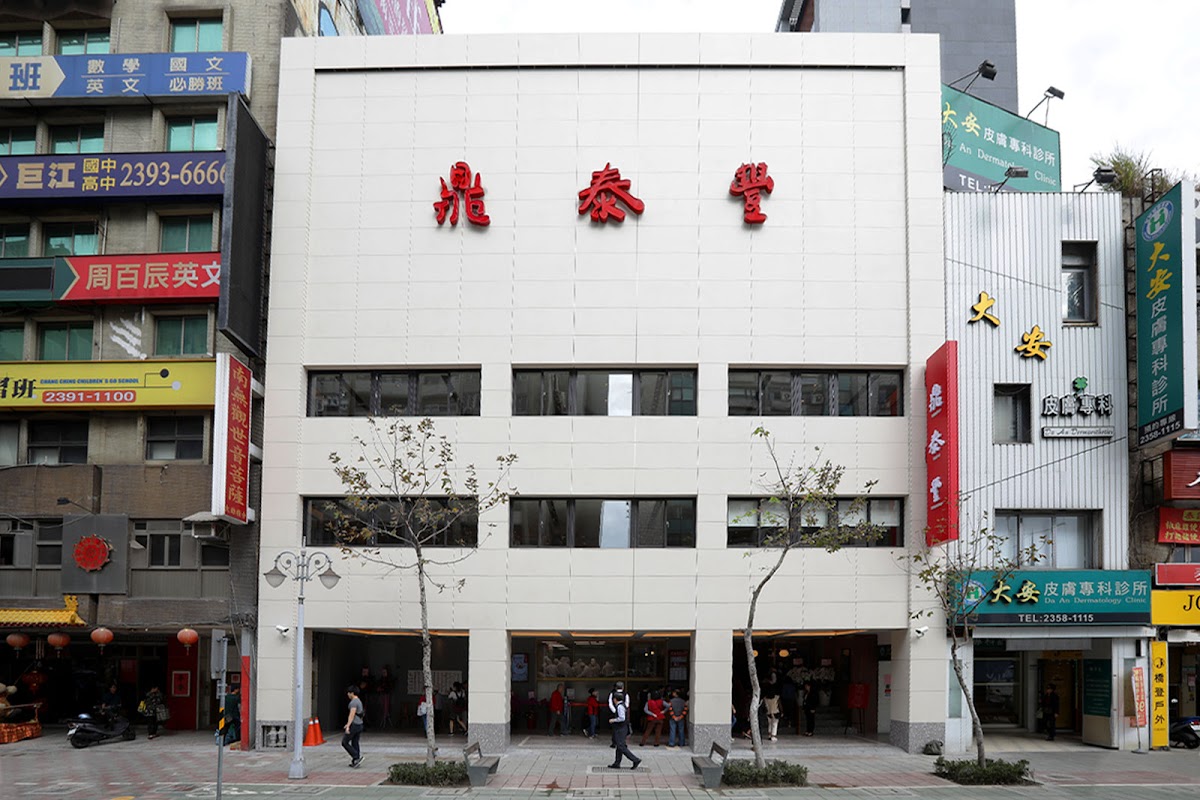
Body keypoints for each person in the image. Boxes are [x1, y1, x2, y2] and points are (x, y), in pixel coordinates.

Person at [607, 690, 641, 770]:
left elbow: (622, 718)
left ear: (615, 699)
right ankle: (617, 763)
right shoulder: (623, 705)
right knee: (619, 746)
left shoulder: (619, 707)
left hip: (620, 728)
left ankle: (635, 759)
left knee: (621, 746)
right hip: (622, 728)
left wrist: (613, 720)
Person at [343, 684, 364, 768]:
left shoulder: (353, 702)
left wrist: (348, 725)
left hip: (354, 725)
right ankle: (356, 761)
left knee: (345, 742)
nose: (348, 694)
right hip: (360, 724)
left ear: (352, 693)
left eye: (349, 693)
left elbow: (351, 715)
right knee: (355, 742)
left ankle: (355, 756)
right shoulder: (359, 701)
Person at [763, 672, 781, 741]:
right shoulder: (776, 697)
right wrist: (782, 711)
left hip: (768, 711)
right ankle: (773, 735)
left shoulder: (765, 698)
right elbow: (779, 704)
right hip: (775, 711)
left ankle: (769, 734)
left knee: (770, 723)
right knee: (775, 724)